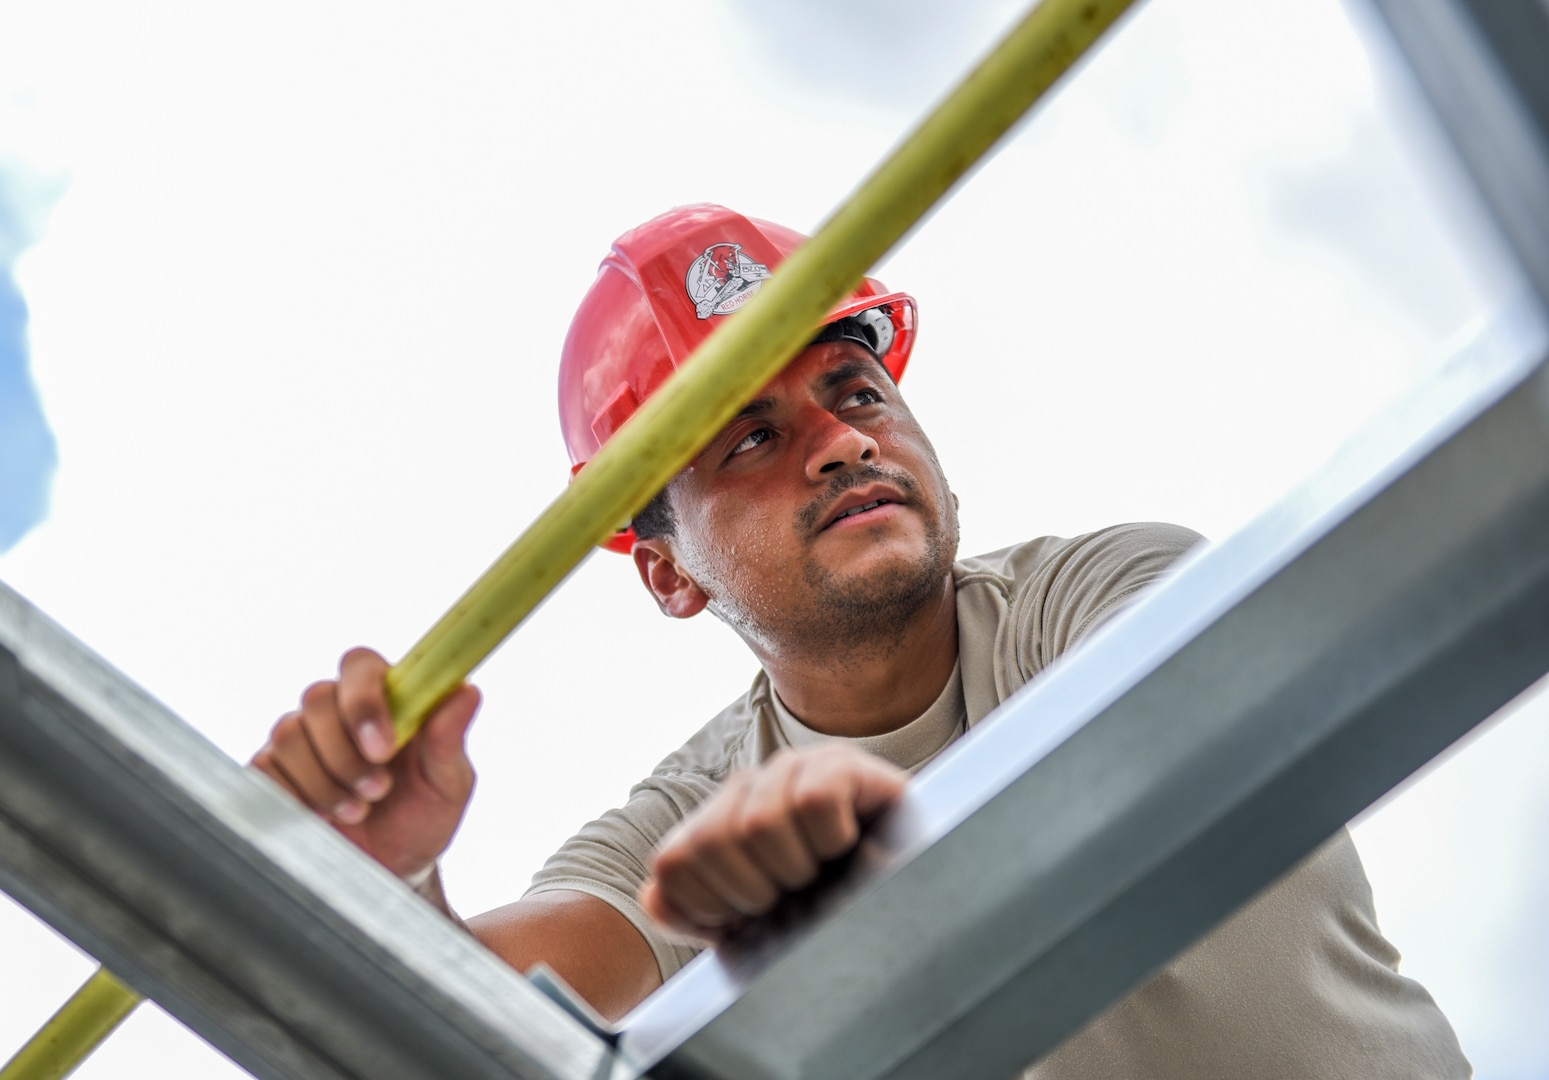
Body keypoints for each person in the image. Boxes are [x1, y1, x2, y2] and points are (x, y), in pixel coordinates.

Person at [252, 204, 1471, 1077]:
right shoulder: (683, 824)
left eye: (856, 391)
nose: (839, 442)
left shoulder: (1106, 590)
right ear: (670, 576)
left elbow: (1137, 779)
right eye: (747, 438)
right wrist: (383, 882)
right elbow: (481, 1016)